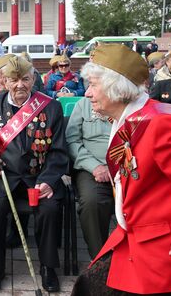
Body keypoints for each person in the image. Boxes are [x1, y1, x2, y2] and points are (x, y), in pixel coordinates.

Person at [72, 44, 171, 295]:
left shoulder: (159, 124)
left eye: (93, 84)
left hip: (169, 253)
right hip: (139, 238)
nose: (87, 93)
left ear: (116, 88)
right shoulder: (135, 117)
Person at [0, 56, 68, 293]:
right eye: (14, 80)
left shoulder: (51, 106)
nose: (20, 85)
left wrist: (47, 181)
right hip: (2, 176)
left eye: (25, 79)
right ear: (4, 81)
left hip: (38, 176)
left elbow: (59, 152)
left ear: (33, 80)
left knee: (49, 209)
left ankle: (48, 267)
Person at [66, 97, 113, 259]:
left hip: (127, 166)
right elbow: (72, 140)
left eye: (94, 83)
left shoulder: (131, 104)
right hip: (91, 168)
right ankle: (100, 258)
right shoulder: (84, 104)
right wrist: (95, 167)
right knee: (92, 202)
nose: (88, 91)